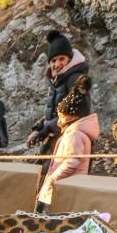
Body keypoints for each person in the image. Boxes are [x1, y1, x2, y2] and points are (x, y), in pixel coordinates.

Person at [26, 31, 90, 173]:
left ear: (70, 59)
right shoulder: (57, 82)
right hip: (54, 138)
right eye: (53, 61)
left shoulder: (76, 80)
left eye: (62, 59)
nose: (57, 64)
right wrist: (38, 129)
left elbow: (75, 115)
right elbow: (53, 112)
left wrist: (45, 130)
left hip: (69, 142)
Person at [35, 75, 99, 210]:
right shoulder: (77, 132)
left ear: (73, 116)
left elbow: (72, 160)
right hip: (68, 187)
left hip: (63, 188)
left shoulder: (74, 134)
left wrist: (53, 179)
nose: (59, 121)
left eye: (62, 116)